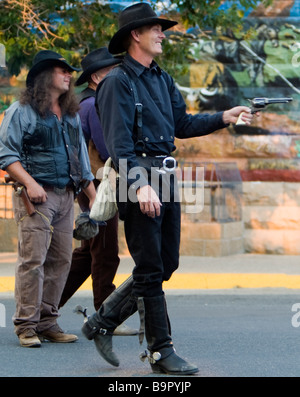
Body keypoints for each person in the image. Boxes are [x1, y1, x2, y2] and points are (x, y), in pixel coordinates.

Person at [81, 3, 254, 374]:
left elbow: (183, 124)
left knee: (166, 264)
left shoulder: (160, 77)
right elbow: (119, 145)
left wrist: (226, 116)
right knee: (149, 266)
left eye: (162, 28)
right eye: (156, 29)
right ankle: (161, 352)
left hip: (165, 176)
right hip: (137, 179)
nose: (162, 33)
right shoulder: (116, 82)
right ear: (135, 36)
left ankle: (100, 322)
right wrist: (140, 186)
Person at [0, 50, 96, 348]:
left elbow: (81, 159)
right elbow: (6, 153)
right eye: (62, 70)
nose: (69, 75)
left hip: (67, 196)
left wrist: (93, 198)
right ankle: (26, 325)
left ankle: (48, 321)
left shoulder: (70, 114)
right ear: (44, 77)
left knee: (61, 260)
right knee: (33, 261)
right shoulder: (21, 110)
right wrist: (29, 184)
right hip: (37, 199)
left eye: (69, 71)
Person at [59, 47, 137, 336]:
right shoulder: (94, 105)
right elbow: (108, 148)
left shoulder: (87, 102)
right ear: (96, 76)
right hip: (98, 186)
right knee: (105, 252)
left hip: (89, 183)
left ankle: (46, 306)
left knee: (87, 253)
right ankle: (107, 314)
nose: (118, 73)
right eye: (111, 69)